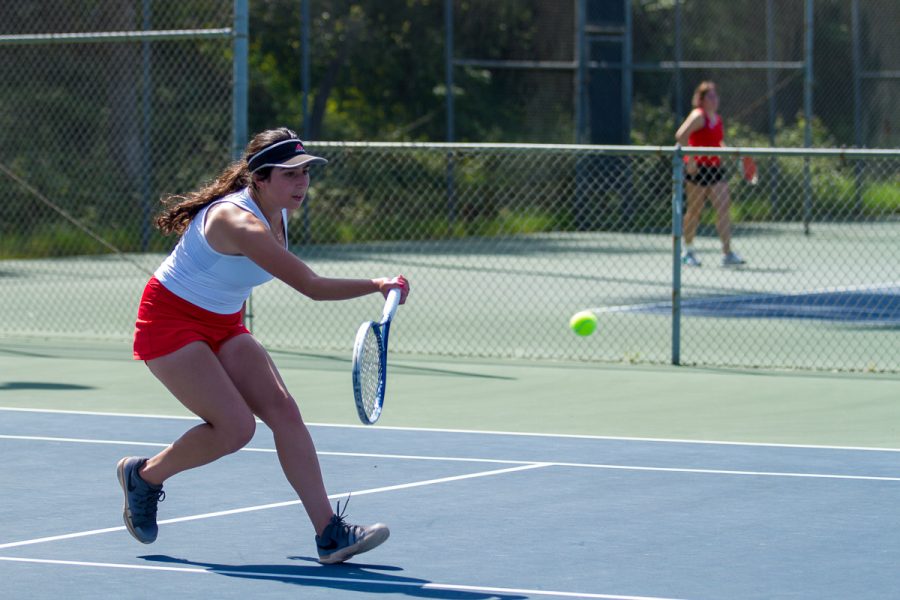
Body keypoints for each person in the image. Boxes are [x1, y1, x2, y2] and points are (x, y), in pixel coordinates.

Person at [119, 126, 409, 564]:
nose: (302, 183)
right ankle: (144, 477)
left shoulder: (278, 212)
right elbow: (310, 285)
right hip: (169, 320)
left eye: (306, 172)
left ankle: (329, 534)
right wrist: (376, 284)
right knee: (237, 428)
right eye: (290, 174)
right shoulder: (238, 221)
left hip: (222, 320)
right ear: (259, 178)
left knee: (284, 411)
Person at [675, 81, 745, 267]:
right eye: (710, 96)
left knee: (723, 208)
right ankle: (687, 250)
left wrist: (728, 151)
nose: (715, 100)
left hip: (715, 169)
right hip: (697, 169)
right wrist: (689, 161)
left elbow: (716, 142)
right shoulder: (698, 116)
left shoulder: (718, 119)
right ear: (701, 99)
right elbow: (681, 136)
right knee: (695, 211)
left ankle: (727, 253)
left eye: (716, 96)